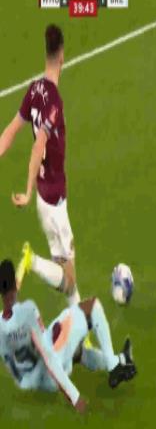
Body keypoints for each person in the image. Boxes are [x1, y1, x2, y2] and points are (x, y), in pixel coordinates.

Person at [0, 24, 81, 305]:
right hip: (54, 197)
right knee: (69, 279)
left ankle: (81, 330)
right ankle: (31, 261)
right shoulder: (54, 102)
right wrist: (27, 190)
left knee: (67, 278)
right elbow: (38, 146)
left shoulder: (34, 89)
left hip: (44, 200)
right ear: (62, 56)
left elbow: (9, 132)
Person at [0, 259, 137, 413]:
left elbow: (12, 358)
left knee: (76, 350)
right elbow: (48, 356)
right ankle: (114, 367)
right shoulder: (28, 311)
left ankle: (123, 359)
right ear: (14, 285)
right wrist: (74, 397)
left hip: (33, 382)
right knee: (92, 307)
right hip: (51, 368)